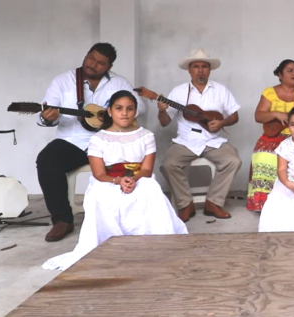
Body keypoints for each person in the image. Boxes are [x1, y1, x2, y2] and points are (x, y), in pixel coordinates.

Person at [42, 91, 187, 271]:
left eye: (129, 109)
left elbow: (147, 170)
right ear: (110, 111)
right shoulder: (98, 138)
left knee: (149, 187)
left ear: (135, 112)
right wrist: (118, 181)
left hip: (138, 178)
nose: (124, 113)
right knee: (100, 193)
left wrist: (132, 180)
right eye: (119, 108)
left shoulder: (146, 136)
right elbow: (99, 174)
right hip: (109, 180)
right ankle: (109, 241)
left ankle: (151, 240)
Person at [36, 43, 146, 242]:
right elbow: (45, 115)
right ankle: (62, 220)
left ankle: (129, 215)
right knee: (47, 160)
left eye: (100, 63)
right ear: (86, 55)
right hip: (72, 141)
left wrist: (113, 115)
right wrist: (48, 117)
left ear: (108, 67)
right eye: (91, 58)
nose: (93, 65)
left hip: (109, 140)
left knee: (133, 160)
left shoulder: (119, 83)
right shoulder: (63, 81)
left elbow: (141, 108)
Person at [158, 49, 242, 222]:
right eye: (196, 66)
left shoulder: (221, 90)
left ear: (209, 70)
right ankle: (185, 204)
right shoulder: (178, 92)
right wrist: (161, 111)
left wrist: (222, 123)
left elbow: (235, 115)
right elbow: (165, 122)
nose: (200, 70)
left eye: (204, 66)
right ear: (189, 70)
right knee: (168, 164)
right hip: (186, 141)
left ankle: (213, 203)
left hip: (213, 140)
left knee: (233, 160)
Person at [248, 59, 294, 211]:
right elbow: (258, 116)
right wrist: (276, 114)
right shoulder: (270, 93)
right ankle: (264, 204)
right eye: (290, 70)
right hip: (273, 137)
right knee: (263, 157)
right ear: (280, 75)